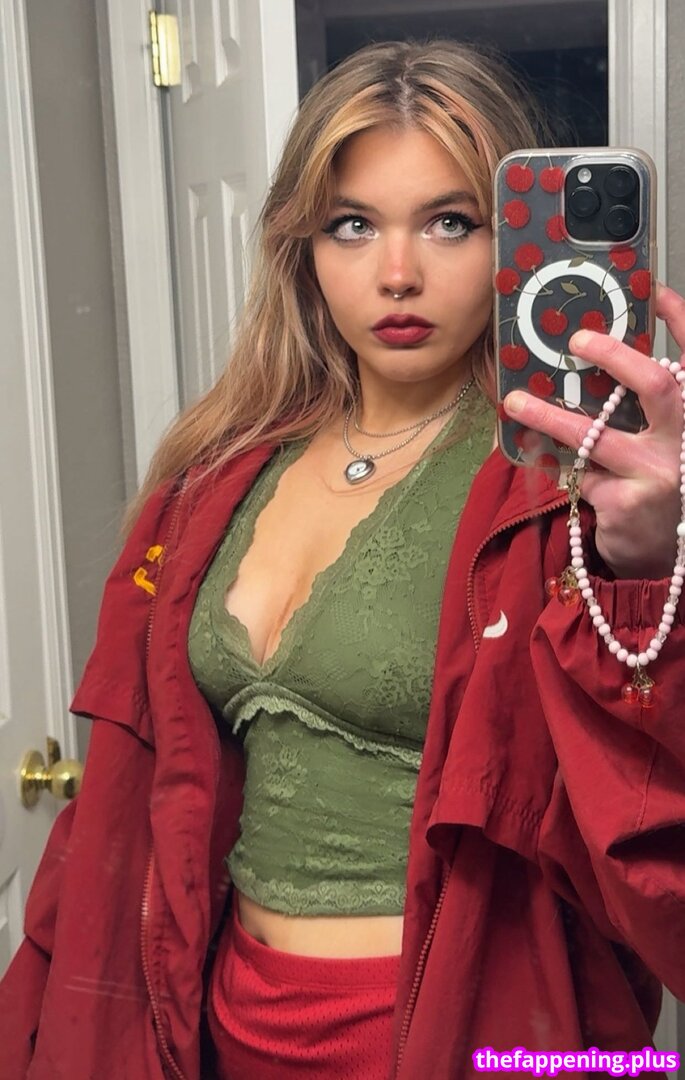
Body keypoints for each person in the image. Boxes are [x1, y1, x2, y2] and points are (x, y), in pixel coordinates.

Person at [1, 38, 684, 1080]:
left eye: (450, 222)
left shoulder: (561, 484)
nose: (396, 273)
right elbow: (130, 794)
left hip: (457, 1028)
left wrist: (645, 562)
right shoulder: (218, 472)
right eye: (352, 225)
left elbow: (640, 825)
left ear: (513, 242)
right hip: (220, 1021)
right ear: (302, 247)